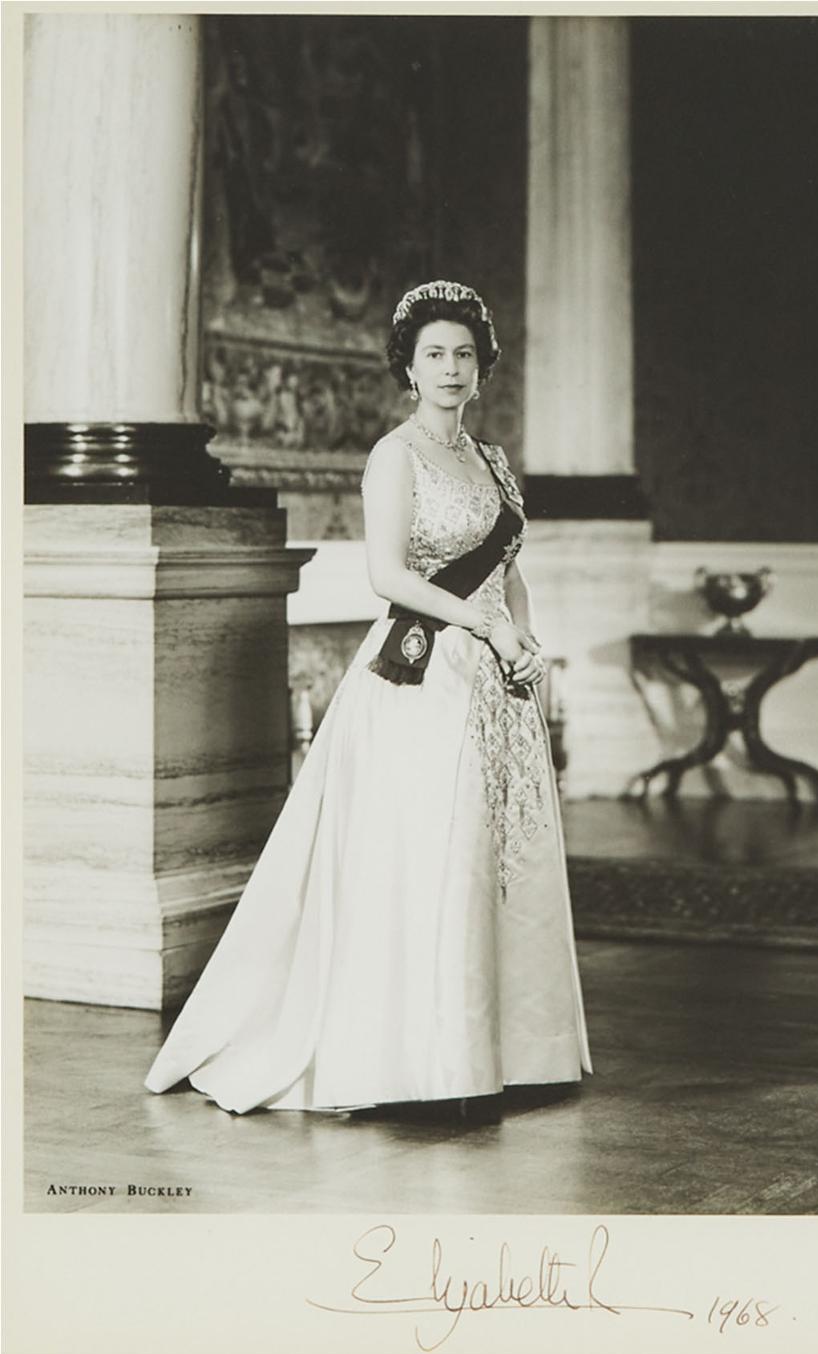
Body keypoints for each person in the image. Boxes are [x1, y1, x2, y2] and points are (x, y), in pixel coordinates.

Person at [144, 280, 592, 1114]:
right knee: (431, 854)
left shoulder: (492, 461)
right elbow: (386, 575)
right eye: (434, 356)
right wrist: (483, 628)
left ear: (482, 368)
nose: (450, 369)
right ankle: (422, 1066)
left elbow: (509, 565)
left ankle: (511, 1057)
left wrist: (522, 636)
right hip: (423, 679)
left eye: (464, 354)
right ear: (408, 370)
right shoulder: (395, 455)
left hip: (495, 680)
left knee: (496, 856)